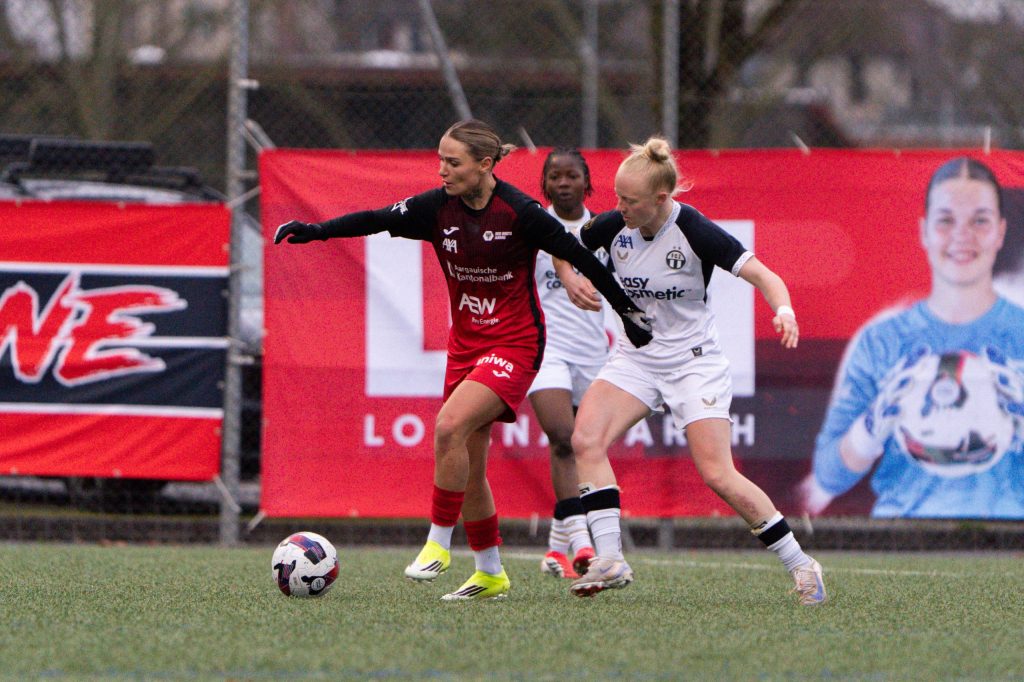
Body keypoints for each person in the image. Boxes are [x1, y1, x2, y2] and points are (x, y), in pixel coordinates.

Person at [274, 119, 653, 601]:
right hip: (466, 347)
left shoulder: (521, 212)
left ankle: (438, 541)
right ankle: (490, 572)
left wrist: (627, 312)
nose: (442, 171)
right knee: (469, 467)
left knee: (448, 426)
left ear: (485, 165)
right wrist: (316, 231)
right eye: (440, 160)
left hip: (516, 345)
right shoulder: (437, 208)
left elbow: (584, 260)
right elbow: (375, 219)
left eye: (453, 163)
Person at [562, 136, 827, 605]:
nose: (618, 207)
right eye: (617, 197)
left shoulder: (695, 230)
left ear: (661, 198)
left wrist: (784, 311)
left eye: (630, 200)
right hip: (636, 359)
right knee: (585, 439)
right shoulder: (613, 225)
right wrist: (569, 276)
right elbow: (561, 244)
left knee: (718, 474)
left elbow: (765, 276)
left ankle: (802, 565)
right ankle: (610, 559)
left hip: (692, 363)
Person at [801, 157, 1024, 518]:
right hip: (903, 534)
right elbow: (829, 474)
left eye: (979, 220)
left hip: (1010, 535)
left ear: (1000, 231)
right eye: (946, 220)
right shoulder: (880, 341)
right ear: (924, 231)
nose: (962, 235)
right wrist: (873, 424)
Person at [528, 148, 606, 579]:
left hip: (593, 354)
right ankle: (582, 542)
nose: (562, 183)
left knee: (586, 446)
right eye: (554, 176)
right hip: (546, 348)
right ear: (544, 184)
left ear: (586, 183)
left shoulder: (603, 231)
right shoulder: (533, 228)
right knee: (562, 437)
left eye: (571, 175)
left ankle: (555, 550)